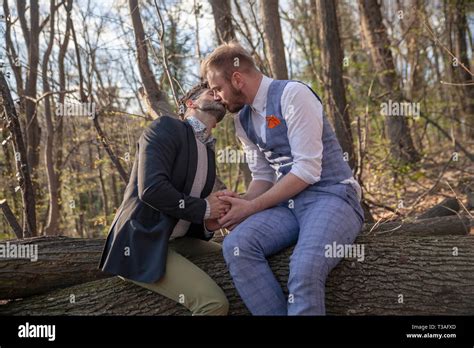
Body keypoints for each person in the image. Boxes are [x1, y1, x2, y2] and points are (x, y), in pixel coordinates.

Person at [201, 42, 365, 315]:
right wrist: (239, 205)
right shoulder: (242, 121)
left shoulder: (293, 94)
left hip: (332, 195)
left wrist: (253, 207)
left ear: (237, 78)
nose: (217, 97)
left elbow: (307, 170)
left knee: (304, 266)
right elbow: (263, 176)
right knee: (237, 246)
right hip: (288, 205)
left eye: (218, 88)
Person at [98, 83, 230, 315]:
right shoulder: (166, 127)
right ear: (191, 104)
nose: (218, 96)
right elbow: (152, 189)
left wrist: (208, 224)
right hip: (140, 242)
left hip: (177, 241)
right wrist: (204, 208)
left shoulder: (208, 150)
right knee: (213, 304)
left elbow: (188, 209)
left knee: (235, 255)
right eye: (211, 93)